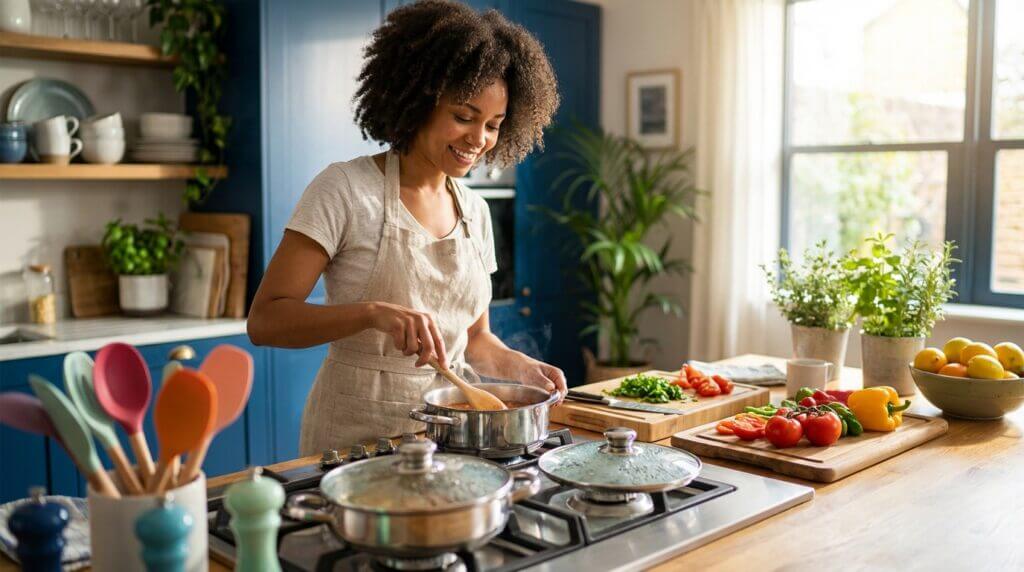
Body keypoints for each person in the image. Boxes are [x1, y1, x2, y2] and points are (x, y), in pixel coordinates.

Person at [247, 0, 565, 455]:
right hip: (356, 440)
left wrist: (519, 366)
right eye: (464, 116)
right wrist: (373, 312)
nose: (479, 139)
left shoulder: (475, 211)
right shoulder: (344, 189)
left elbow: (473, 339)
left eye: (493, 125)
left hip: (452, 435)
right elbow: (266, 321)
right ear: (420, 100)